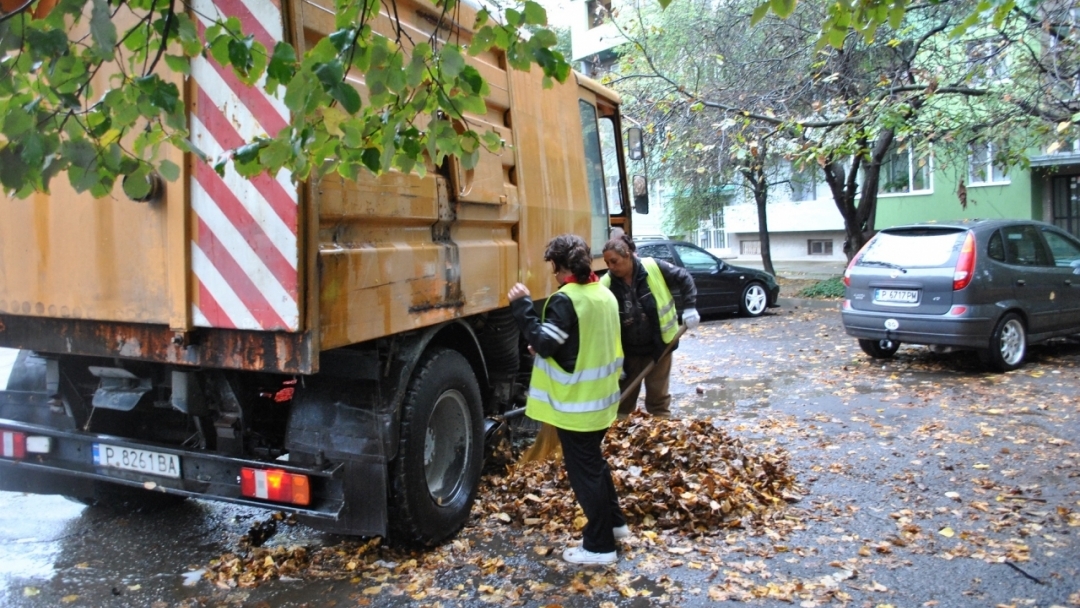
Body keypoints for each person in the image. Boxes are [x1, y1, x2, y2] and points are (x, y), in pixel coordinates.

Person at [508, 234, 628, 566]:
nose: (554, 275)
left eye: (553, 268)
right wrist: (546, 342)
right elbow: (574, 342)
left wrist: (522, 307)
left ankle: (600, 546)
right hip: (601, 401)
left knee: (585, 472)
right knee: (595, 466)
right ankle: (615, 525)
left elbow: (546, 345)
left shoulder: (567, 299)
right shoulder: (602, 294)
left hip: (576, 407)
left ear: (561, 267)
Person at [601, 233, 699, 418]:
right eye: (607, 263)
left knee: (658, 398)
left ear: (628, 255)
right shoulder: (606, 284)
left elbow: (684, 278)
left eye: (614, 261)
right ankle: (621, 437)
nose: (611, 267)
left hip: (660, 346)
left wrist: (690, 308)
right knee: (624, 400)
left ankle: (662, 433)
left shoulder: (654, 267)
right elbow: (600, 324)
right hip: (628, 353)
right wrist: (613, 360)